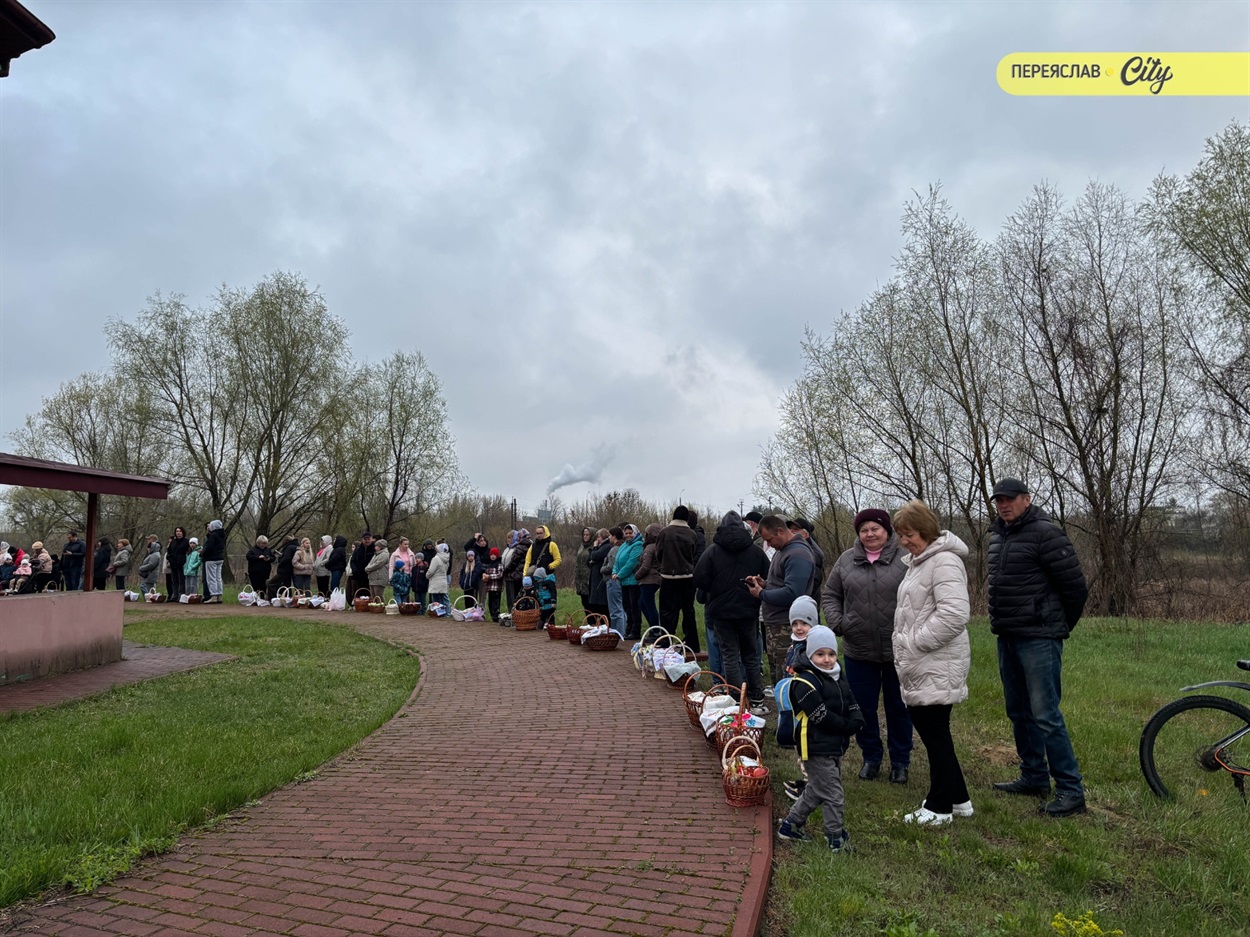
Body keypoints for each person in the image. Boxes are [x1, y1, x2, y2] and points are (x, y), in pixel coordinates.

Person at [987, 478, 1090, 818]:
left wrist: (1054, 628)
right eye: (999, 500)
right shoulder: (998, 537)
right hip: (1009, 636)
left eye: (1010, 499)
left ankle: (1071, 790)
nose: (1004, 505)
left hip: (1040, 638)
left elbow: (1075, 588)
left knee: (1046, 715)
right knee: (1018, 711)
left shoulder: (1046, 533)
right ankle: (1033, 776)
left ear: (1027, 499)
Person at [891, 499, 973, 826]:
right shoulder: (920, 562)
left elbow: (954, 615)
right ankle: (959, 800)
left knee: (935, 734)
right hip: (924, 663)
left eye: (909, 534)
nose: (904, 541)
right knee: (935, 733)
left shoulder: (944, 562)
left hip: (935, 660)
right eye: (901, 535)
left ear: (925, 530)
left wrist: (915, 642)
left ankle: (939, 807)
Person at [821, 507, 912, 785]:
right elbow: (831, 594)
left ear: (887, 531)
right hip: (858, 649)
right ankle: (871, 756)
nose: (870, 534)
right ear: (858, 533)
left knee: (900, 707)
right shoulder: (846, 561)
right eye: (864, 530)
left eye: (875, 528)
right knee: (862, 708)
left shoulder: (906, 559)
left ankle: (900, 762)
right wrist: (840, 623)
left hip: (899, 649)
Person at [775, 624, 864, 853]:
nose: (827, 660)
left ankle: (790, 825)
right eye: (820, 654)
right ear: (810, 654)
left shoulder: (837, 675)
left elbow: (850, 699)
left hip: (834, 743)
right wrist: (848, 727)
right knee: (834, 794)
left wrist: (857, 717)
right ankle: (835, 837)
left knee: (817, 789)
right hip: (814, 745)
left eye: (831, 654)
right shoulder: (803, 682)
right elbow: (821, 716)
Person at [693, 510, 771, 709]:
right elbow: (769, 574)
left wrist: (715, 588)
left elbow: (699, 578)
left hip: (721, 611)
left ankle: (736, 698)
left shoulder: (712, 551)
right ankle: (757, 698)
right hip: (748, 609)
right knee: (751, 655)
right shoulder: (755, 551)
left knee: (729, 654)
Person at [747, 515, 816, 693]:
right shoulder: (783, 550)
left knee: (788, 681)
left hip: (787, 627)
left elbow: (793, 593)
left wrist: (762, 593)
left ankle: (791, 717)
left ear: (780, 531)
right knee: (778, 677)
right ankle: (782, 715)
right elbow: (782, 584)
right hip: (776, 625)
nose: (768, 545)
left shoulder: (798, 554)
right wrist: (765, 584)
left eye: (770, 539)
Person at [781, 596, 819, 801]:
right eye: (794, 623)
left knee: (808, 746)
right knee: (799, 744)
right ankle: (807, 780)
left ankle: (812, 787)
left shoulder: (812, 648)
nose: (798, 628)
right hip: (796, 705)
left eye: (804, 623)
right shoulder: (794, 645)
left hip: (807, 704)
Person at [654, 506, 701, 652]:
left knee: (667, 611)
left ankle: (666, 642)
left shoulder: (664, 532)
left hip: (669, 577)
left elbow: (658, 552)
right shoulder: (692, 534)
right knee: (688, 610)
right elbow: (693, 553)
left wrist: (665, 565)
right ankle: (693, 643)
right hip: (688, 576)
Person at [614, 524, 644, 639]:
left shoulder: (638, 545)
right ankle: (628, 629)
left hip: (633, 582)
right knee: (626, 606)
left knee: (634, 607)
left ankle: (635, 631)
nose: (628, 535)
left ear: (635, 533)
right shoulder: (623, 545)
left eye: (630, 533)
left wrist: (619, 574)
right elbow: (617, 561)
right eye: (626, 533)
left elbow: (631, 563)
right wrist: (614, 572)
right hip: (623, 581)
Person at [788, 518, 824, 604]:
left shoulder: (812, 554)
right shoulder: (792, 550)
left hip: (806, 605)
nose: (791, 531)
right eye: (790, 529)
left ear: (806, 534)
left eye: (796, 529)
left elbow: (813, 583)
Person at [634, 523, 663, 631]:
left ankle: (655, 631)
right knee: (642, 603)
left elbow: (645, 567)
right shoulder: (658, 546)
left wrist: (636, 576)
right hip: (654, 579)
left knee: (649, 606)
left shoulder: (650, 548)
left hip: (648, 580)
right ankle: (654, 628)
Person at [603, 527, 625, 634]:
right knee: (621, 608)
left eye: (610, 536)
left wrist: (601, 569)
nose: (609, 538)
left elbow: (611, 567)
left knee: (615, 610)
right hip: (621, 581)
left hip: (613, 581)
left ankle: (617, 633)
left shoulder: (614, 549)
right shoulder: (624, 547)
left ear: (614, 536)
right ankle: (623, 631)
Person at [585, 528, 612, 615]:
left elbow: (594, 556)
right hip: (595, 577)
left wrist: (595, 547)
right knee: (595, 604)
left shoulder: (607, 546)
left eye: (598, 537)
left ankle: (605, 624)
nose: (597, 539)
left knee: (602, 605)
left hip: (600, 579)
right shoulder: (601, 547)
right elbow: (589, 559)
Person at [502, 530, 530, 612]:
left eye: (510, 538)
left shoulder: (519, 547)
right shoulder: (511, 547)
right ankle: (515, 614)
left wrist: (505, 570)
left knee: (513, 598)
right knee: (514, 597)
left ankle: (514, 615)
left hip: (514, 575)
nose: (508, 540)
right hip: (513, 574)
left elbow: (513, 562)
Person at [202, 520, 226, 604]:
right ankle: (219, 595)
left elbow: (209, 547)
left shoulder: (213, 535)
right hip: (220, 558)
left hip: (211, 559)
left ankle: (213, 596)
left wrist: (202, 554)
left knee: (211, 578)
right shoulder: (222, 535)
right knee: (218, 577)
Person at [349, 532, 375, 601]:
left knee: (369, 592)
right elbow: (353, 561)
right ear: (362, 540)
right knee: (358, 592)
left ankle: (369, 604)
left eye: (368, 539)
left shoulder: (374, 549)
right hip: (358, 575)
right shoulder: (358, 549)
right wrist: (355, 570)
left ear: (371, 539)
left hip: (370, 574)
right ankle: (359, 604)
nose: (367, 541)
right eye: (365, 539)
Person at [481, 547, 504, 621]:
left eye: (494, 554)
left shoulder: (499, 564)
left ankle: (496, 617)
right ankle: (492, 617)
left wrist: (489, 576)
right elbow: (486, 575)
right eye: (491, 555)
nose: (492, 556)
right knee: (490, 604)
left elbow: (500, 575)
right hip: (490, 588)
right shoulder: (489, 565)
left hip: (497, 588)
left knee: (496, 604)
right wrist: (485, 578)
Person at [166, 527, 189, 598]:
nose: (178, 533)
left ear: (183, 532)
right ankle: (175, 595)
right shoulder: (173, 542)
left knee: (181, 580)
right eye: (177, 531)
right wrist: (170, 559)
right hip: (173, 563)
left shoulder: (186, 541)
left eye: (180, 531)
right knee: (174, 580)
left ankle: (181, 595)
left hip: (181, 563)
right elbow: (169, 552)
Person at [426, 542, 451, 610]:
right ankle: (446, 613)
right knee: (442, 600)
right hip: (443, 581)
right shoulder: (447, 559)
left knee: (436, 601)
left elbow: (431, 571)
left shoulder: (436, 559)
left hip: (436, 582)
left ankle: (439, 614)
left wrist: (427, 575)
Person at [575, 527, 594, 611]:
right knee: (584, 602)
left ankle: (595, 622)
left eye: (587, 535)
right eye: (584, 535)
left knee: (591, 603)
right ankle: (590, 622)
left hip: (589, 578)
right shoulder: (582, 546)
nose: (585, 537)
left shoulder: (594, 546)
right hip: (580, 578)